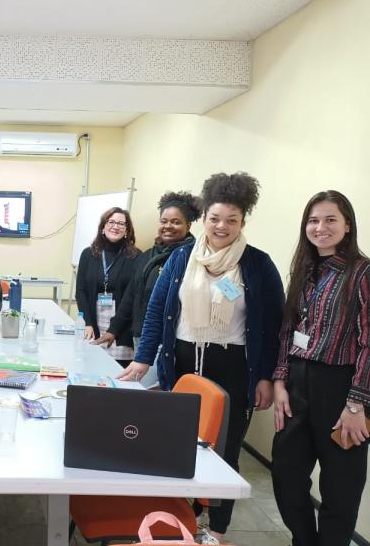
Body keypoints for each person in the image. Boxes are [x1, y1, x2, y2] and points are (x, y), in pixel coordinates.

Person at [119, 172, 284, 545]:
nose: (222, 226)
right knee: (179, 444)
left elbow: (274, 325)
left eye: (232, 220)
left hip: (234, 367)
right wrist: (143, 359)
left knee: (225, 452)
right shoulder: (182, 258)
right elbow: (157, 311)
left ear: (243, 222)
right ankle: (185, 514)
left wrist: (265, 377)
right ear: (204, 218)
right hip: (181, 363)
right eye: (215, 218)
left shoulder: (257, 264)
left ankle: (218, 530)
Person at [271, 191, 369, 546]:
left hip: (343, 390)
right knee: (285, 474)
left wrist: (357, 405)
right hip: (297, 384)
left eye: (330, 219)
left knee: (341, 489)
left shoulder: (362, 272)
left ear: (347, 225)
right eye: (313, 220)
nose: (320, 227)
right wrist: (280, 381)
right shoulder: (304, 269)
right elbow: (288, 329)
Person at [99, 192, 202, 359]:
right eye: (164, 221)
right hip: (142, 336)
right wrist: (113, 330)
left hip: (172, 340)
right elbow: (131, 295)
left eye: (176, 222)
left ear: (188, 225)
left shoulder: (193, 257)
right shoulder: (146, 256)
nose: (168, 226)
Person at [75, 207, 141, 365]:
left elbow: (133, 297)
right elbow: (81, 291)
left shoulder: (136, 256)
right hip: (93, 322)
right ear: (103, 227)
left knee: (118, 371)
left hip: (122, 326)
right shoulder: (88, 254)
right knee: (91, 366)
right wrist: (88, 323)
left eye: (121, 223)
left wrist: (115, 329)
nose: (115, 226)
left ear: (127, 230)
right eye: (111, 222)